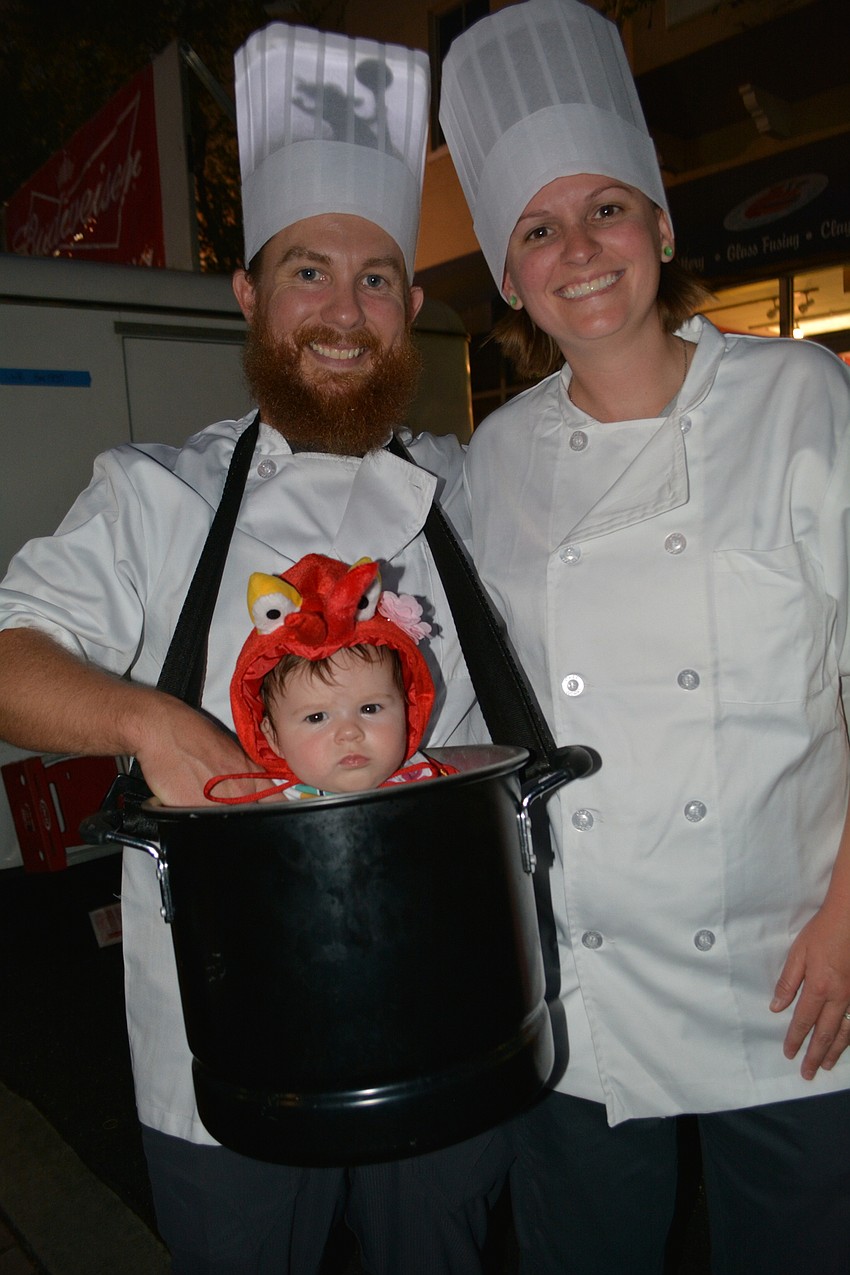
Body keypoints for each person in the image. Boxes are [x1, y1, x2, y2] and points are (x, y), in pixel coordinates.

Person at [0, 22, 511, 1275]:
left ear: (412, 303)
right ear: (247, 294)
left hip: (458, 1014)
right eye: (306, 273)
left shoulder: (473, 487)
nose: (344, 312)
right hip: (218, 1047)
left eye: (378, 277)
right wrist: (150, 725)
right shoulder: (156, 495)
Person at [439, 1, 850, 1272]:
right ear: (510, 278)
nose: (579, 249)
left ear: (661, 227)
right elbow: (470, 713)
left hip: (794, 961)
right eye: (538, 229)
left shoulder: (799, 397)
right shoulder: (491, 461)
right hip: (582, 979)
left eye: (606, 209)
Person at [204, 553, 457, 801]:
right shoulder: (264, 806)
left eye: (370, 708)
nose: (349, 733)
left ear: (405, 707)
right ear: (273, 737)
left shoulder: (435, 786)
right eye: (316, 717)